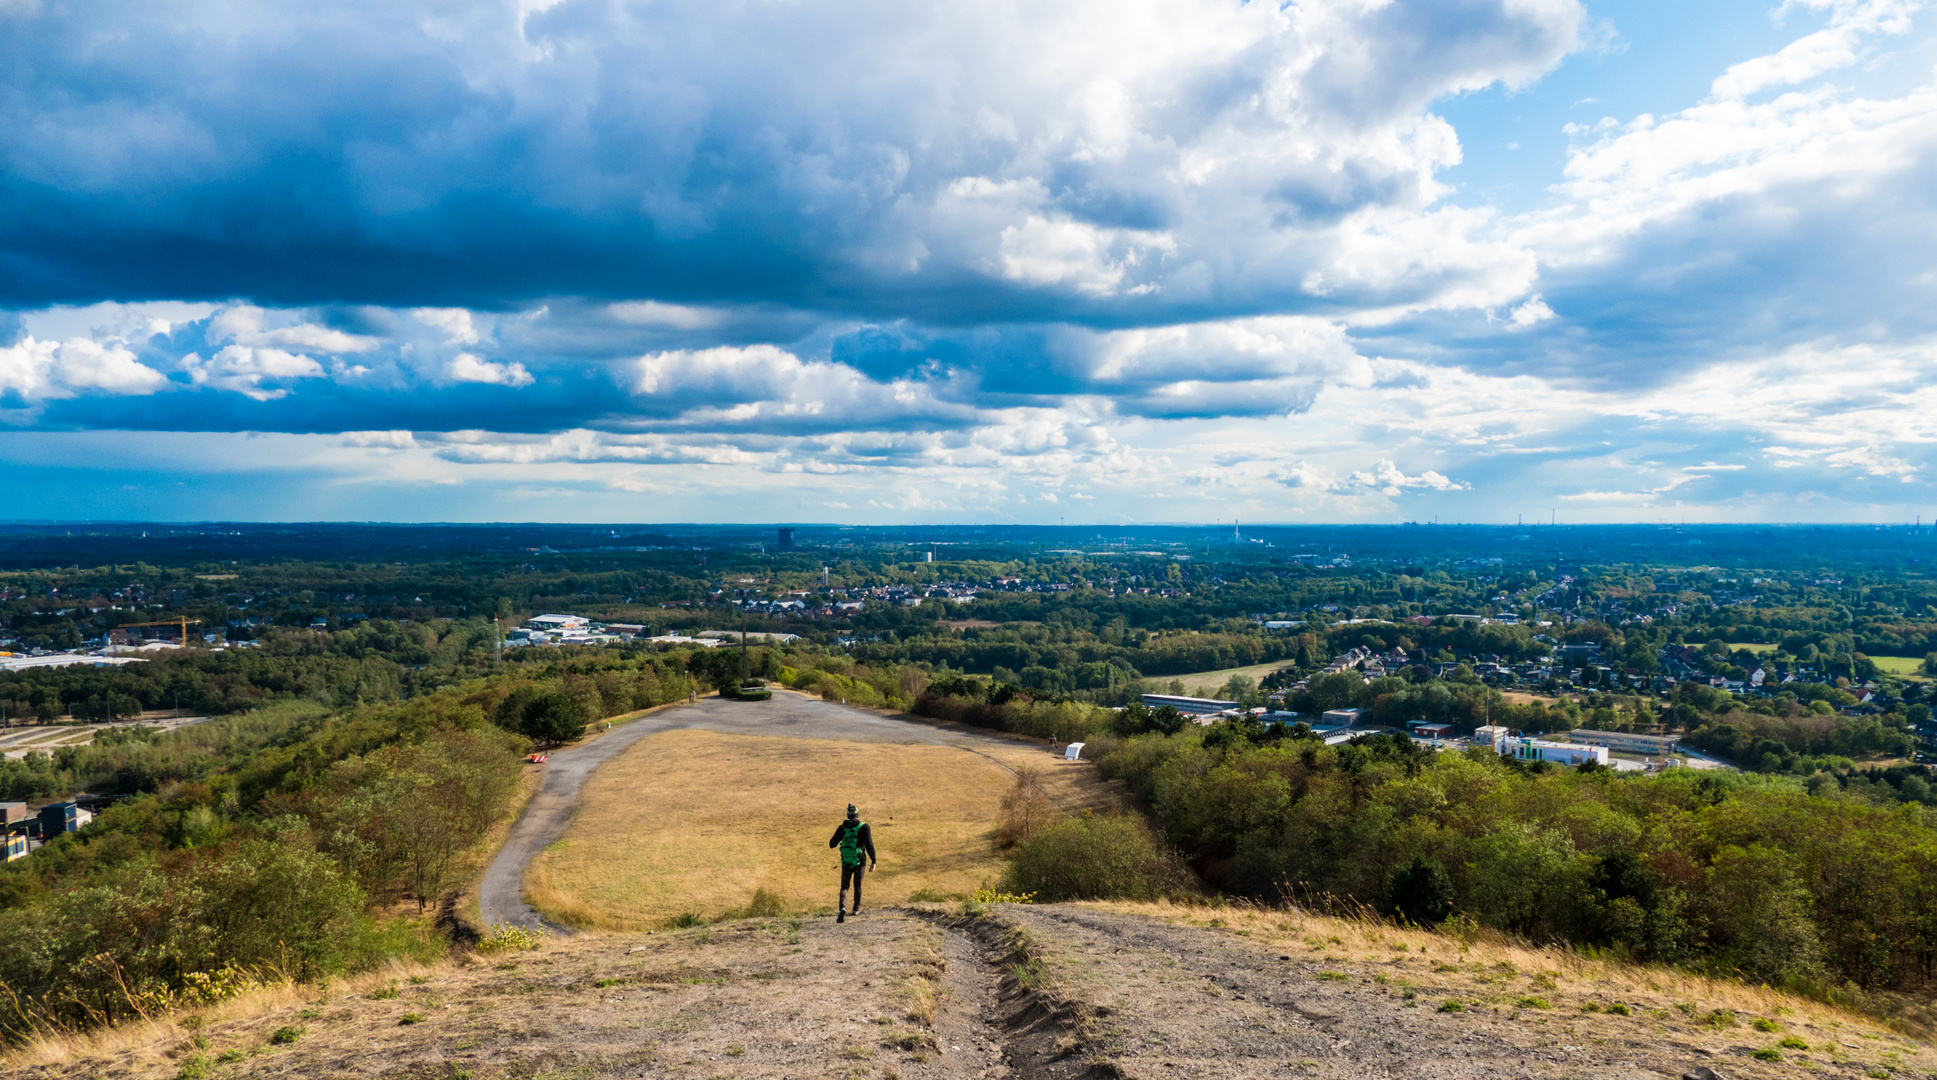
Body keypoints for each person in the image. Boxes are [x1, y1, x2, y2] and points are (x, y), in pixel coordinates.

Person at [828, 803, 876, 922]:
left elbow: (832, 844)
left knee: (844, 886)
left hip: (846, 862)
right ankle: (855, 909)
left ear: (847, 815)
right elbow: (869, 845)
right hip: (860, 862)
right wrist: (873, 861)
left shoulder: (842, 828)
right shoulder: (864, 827)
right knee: (857, 886)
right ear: (857, 814)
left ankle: (842, 908)